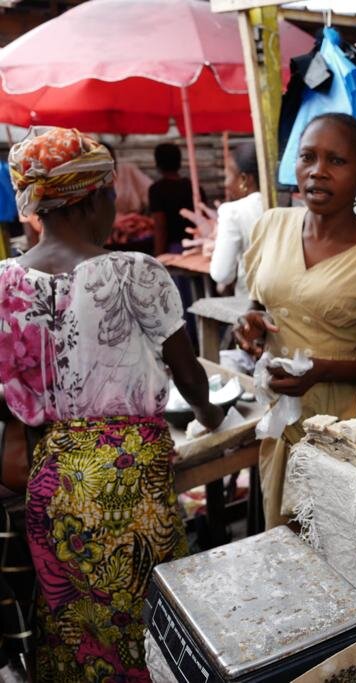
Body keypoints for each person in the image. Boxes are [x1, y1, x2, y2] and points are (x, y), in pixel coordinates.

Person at [0, 127, 224, 680]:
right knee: (147, 621)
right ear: (98, 196)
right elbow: (189, 372)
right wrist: (211, 416)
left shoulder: (4, 284)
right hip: (132, 475)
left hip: (53, 480)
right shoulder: (135, 273)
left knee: (74, 621)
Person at [235, 113, 356, 528]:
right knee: (283, 545)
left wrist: (324, 371)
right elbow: (259, 306)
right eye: (307, 157)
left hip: (346, 435)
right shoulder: (271, 225)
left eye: (336, 161)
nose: (317, 172)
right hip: (281, 419)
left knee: (334, 546)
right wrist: (250, 326)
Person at [209, 142, 263, 299]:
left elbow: (222, 274)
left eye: (228, 175)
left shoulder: (233, 212)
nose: (226, 184)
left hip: (252, 308)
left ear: (244, 179)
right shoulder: (293, 204)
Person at [148, 142, 204, 256]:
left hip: (172, 251)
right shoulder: (195, 188)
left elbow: (160, 227)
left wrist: (158, 256)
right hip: (197, 246)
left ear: (158, 163)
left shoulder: (156, 190)